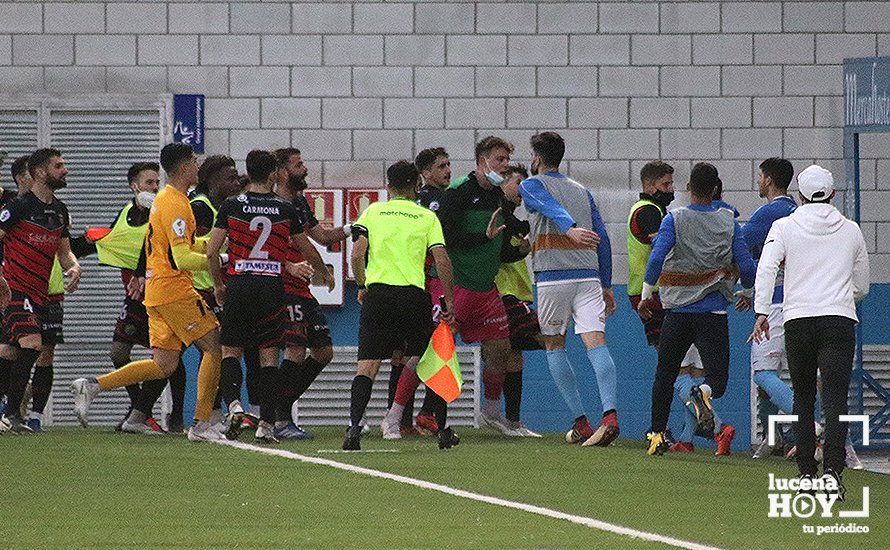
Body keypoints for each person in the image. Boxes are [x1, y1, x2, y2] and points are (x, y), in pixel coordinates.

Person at [70, 143, 223, 442]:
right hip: (174, 288)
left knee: (163, 365)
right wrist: (220, 259)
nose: (197, 165)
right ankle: (202, 424)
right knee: (213, 345)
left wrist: (212, 244)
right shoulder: (177, 203)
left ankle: (93, 385)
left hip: (156, 291)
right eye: (194, 160)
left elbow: (179, 246)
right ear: (182, 167)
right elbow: (181, 259)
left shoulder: (166, 199)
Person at [751, 164, 869, 500]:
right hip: (838, 320)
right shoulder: (852, 230)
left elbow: (767, 268)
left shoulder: (784, 226)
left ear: (800, 195)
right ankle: (832, 473)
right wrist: (844, 297)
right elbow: (860, 285)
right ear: (832, 194)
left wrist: (762, 311)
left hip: (798, 321)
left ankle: (805, 473)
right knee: (835, 400)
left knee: (802, 398)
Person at [641, 162, 755, 456]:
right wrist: (749, 291)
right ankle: (703, 393)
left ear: (688, 188)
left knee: (665, 374)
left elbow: (655, 260)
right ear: (716, 189)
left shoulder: (674, 219)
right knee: (717, 380)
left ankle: (656, 434)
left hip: (677, 312)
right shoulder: (729, 221)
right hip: (713, 313)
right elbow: (746, 265)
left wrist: (645, 295)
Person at [344, 160, 456, 451]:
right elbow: (442, 260)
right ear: (416, 185)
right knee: (425, 359)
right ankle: (442, 431)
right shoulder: (426, 217)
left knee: (366, 366)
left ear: (388, 185)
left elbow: (357, 254)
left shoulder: (373, 212)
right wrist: (450, 302)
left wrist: (361, 285)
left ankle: (354, 428)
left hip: (378, 295)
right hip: (413, 296)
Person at [519, 131, 620, 447]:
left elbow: (547, 206)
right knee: (596, 342)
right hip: (589, 277)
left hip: (553, 277)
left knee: (554, 345)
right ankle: (610, 416)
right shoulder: (582, 191)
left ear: (536, 158)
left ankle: (581, 423)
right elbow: (602, 237)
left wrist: (569, 229)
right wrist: (606, 285)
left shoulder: (531, 184)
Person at [206, 149, 314, 443]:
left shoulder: (231, 206)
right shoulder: (285, 209)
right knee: (269, 358)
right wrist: (319, 270)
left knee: (231, 351)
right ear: (271, 175)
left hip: (239, 286)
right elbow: (304, 246)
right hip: (271, 288)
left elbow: (211, 251)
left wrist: (218, 284)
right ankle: (266, 424)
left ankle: (234, 405)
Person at [427, 136, 518, 436]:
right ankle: (399, 415)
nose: (504, 166)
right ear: (482, 161)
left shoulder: (499, 199)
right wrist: (484, 237)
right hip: (457, 286)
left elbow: (498, 245)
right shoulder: (458, 193)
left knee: (500, 347)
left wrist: (520, 251)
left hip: (486, 288)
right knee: (434, 349)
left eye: (507, 160)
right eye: (499, 160)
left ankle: (491, 412)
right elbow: (447, 239)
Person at [0, 148, 81, 433]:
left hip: (41, 294)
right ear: (39, 173)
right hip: (15, 290)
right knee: (33, 344)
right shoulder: (19, 206)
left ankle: (8, 413)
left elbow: (65, 253)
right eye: (58, 165)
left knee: (12, 351)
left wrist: (75, 268)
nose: (65, 170)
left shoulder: (59, 210)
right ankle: (12, 414)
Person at [626, 160, 704, 452]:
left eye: (672, 185)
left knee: (678, 368)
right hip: (652, 296)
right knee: (672, 366)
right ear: (650, 186)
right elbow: (663, 247)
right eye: (666, 185)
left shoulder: (657, 211)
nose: (671, 190)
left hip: (663, 294)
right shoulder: (647, 212)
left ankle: (683, 436)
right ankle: (718, 425)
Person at [271, 147, 340, 441]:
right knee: (295, 350)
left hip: (302, 288)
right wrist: (290, 266)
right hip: (282, 288)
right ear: (283, 172)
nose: (306, 168)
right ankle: (281, 418)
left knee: (323, 351)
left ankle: (277, 406)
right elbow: (258, 251)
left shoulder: (298, 202)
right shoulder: (272, 205)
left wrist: (356, 228)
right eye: (299, 165)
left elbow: (321, 237)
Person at [387, 146, 452, 436]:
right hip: (421, 283)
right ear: (423, 175)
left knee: (423, 349)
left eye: (449, 165)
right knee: (421, 350)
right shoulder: (424, 205)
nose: (448, 170)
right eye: (441, 166)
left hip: (420, 283)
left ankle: (412, 417)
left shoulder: (443, 200)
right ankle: (406, 417)